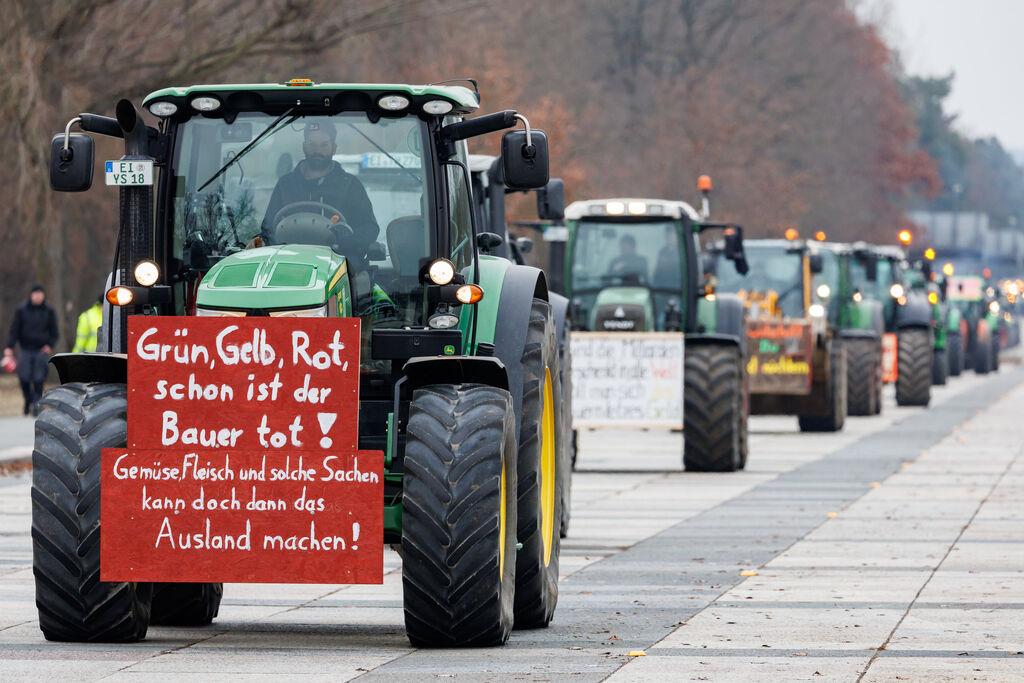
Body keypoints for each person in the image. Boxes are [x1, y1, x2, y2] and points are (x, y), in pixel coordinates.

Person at [261, 120, 379, 257]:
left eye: (324, 145)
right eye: (312, 144)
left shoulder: (351, 185)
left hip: (341, 264)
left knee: (360, 278)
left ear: (334, 148)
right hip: (291, 262)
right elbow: (268, 229)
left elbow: (370, 228)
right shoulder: (285, 184)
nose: (318, 150)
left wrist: (344, 242)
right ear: (304, 146)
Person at [4, 285, 59, 416]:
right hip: (25, 349)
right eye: (35, 294)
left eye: (40, 294)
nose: (38, 296)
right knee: (24, 377)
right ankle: (28, 399)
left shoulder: (49, 311)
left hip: (41, 350)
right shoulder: (21, 310)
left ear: (43, 296)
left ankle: (36, 404)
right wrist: (9, 347)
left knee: (39, 378)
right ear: (31, 295)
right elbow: (14, 330)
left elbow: (54, 332)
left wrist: (49, 345)